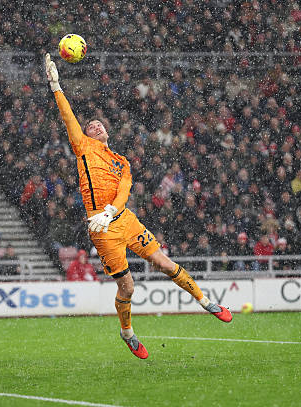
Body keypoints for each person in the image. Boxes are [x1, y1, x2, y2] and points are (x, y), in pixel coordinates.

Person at [45, 54, 232, 360]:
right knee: (128, 288)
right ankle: (127, 332)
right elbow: (68, 117)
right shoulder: (83, 147)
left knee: (165, 264)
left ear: (107, 131)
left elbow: (124, 191)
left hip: (122, 218)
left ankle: (205, 301)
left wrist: (112, 210)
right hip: (102, 227)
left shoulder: (122, 162)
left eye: (99, 124)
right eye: (90, 125)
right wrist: (56, 87)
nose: (95, 126)